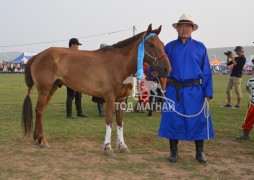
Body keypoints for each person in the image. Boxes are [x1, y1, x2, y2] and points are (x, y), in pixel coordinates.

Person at [155, 14, 214, 164]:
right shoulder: (169, 47)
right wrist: (152, 72)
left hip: (195, 91)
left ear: (192, 29)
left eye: (188, 26)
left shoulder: (200, 47)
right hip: (174, 90)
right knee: (172, 120)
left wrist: (208, 91)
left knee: (198, 120)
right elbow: (159, 63)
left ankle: (199, 152)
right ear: (177, 29)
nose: (184, 29)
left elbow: (206, 70)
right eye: (181, 26)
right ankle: (173, 152)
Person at [66, 38, 87, 119]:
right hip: (70, 77)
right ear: (73, 45)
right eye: (77, 45)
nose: (78, 47)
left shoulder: (76, 54)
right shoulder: (67, 54)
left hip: (78, 78)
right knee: (71, 95)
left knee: (79, 95)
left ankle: (79, 112)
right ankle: (69, 114)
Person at [91, 43, 107, 117]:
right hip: (98, 79)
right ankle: (101, 112)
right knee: (99, 97)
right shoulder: (96, 57)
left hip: (106, 79)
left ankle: (106, 111)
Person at [236, 76, 254, 140]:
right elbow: (247, 87)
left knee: (248, 119)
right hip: (252, 104)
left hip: (252, 104)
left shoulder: (251, 80)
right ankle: (246, 135)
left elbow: (247, 87)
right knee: (248, 119)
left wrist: (251, 93)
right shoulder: (251, 80)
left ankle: (246, 135)